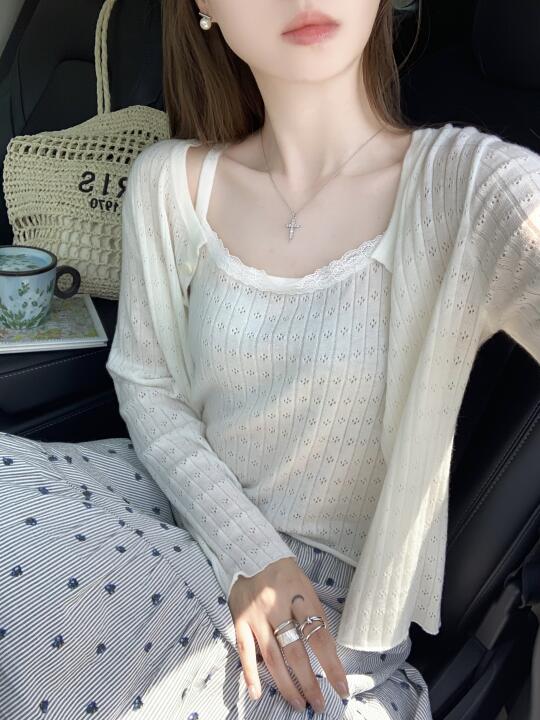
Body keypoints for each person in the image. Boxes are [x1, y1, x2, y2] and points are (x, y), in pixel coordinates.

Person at [1, 1, 539, 719]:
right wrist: (248, 551)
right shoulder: (168, 182)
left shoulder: (469, 187)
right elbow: (147, 386)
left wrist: (268, 567)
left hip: (317, 615)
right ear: (203, 7)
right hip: (162, 501)